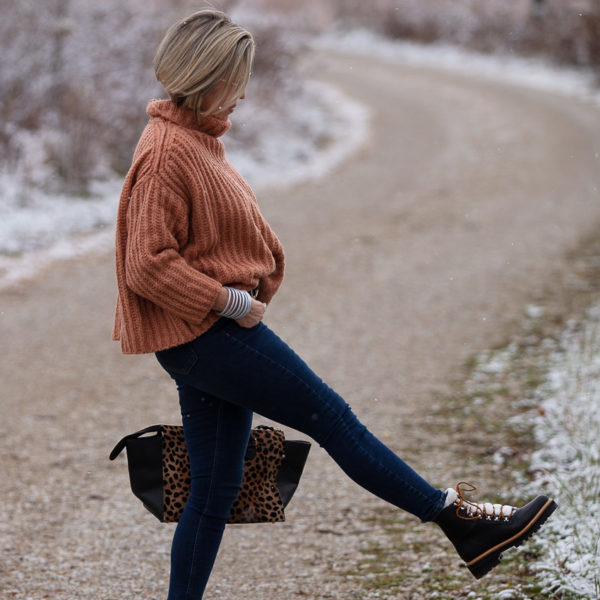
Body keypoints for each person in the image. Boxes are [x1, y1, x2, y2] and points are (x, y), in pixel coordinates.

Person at [113, 8, 557, 599]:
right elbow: (147, 263)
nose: (243, 92)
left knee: (215, 489)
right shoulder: (169, 151)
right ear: (205, 76)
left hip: (203, 338)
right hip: (208, 336)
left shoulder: (194, 139)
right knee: (333, 418)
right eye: (235, 79)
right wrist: (228, 302)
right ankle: (457, 520)